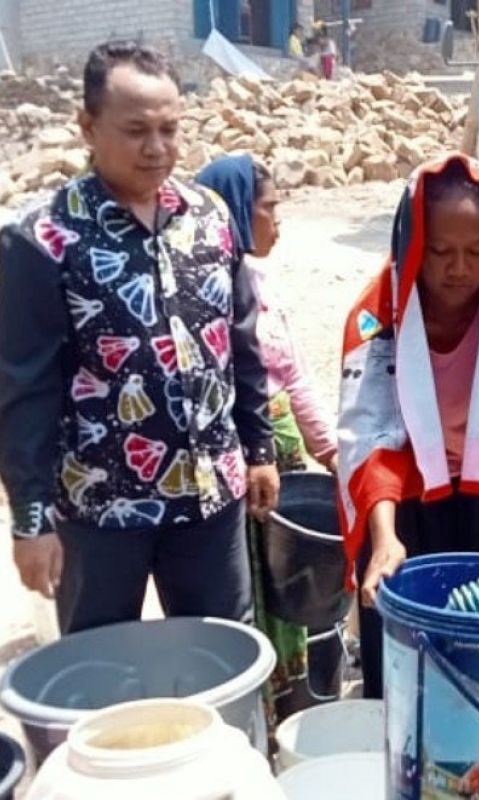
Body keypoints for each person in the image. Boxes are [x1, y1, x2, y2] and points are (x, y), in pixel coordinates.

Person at [0, 42, 279, 634]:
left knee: (223, 653)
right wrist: (30, 519)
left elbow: (242, 343)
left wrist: (258, 450)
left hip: (211, 501)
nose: (157, 149)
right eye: (135, 131)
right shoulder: (44, 237)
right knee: (98, 672)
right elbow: (23, 387)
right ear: (88, 127)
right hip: (101, 509)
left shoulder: (209, 217)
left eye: (169, 129)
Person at [336, 154, 479, 699]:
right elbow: (369, 437)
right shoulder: (377, 318)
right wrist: (386, 539)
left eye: (477, 252)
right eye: (440, 252)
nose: (459, 269)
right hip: (404, 511)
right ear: (411, 243)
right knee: (404, 681)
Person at [196, 155, 338, 474]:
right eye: (269, 207)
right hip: (228, 465)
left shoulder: (265, 289)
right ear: (235, 209)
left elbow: (295, 376)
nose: (278, 221)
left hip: (280, 464)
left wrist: (330, 451)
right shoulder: (199, 297)